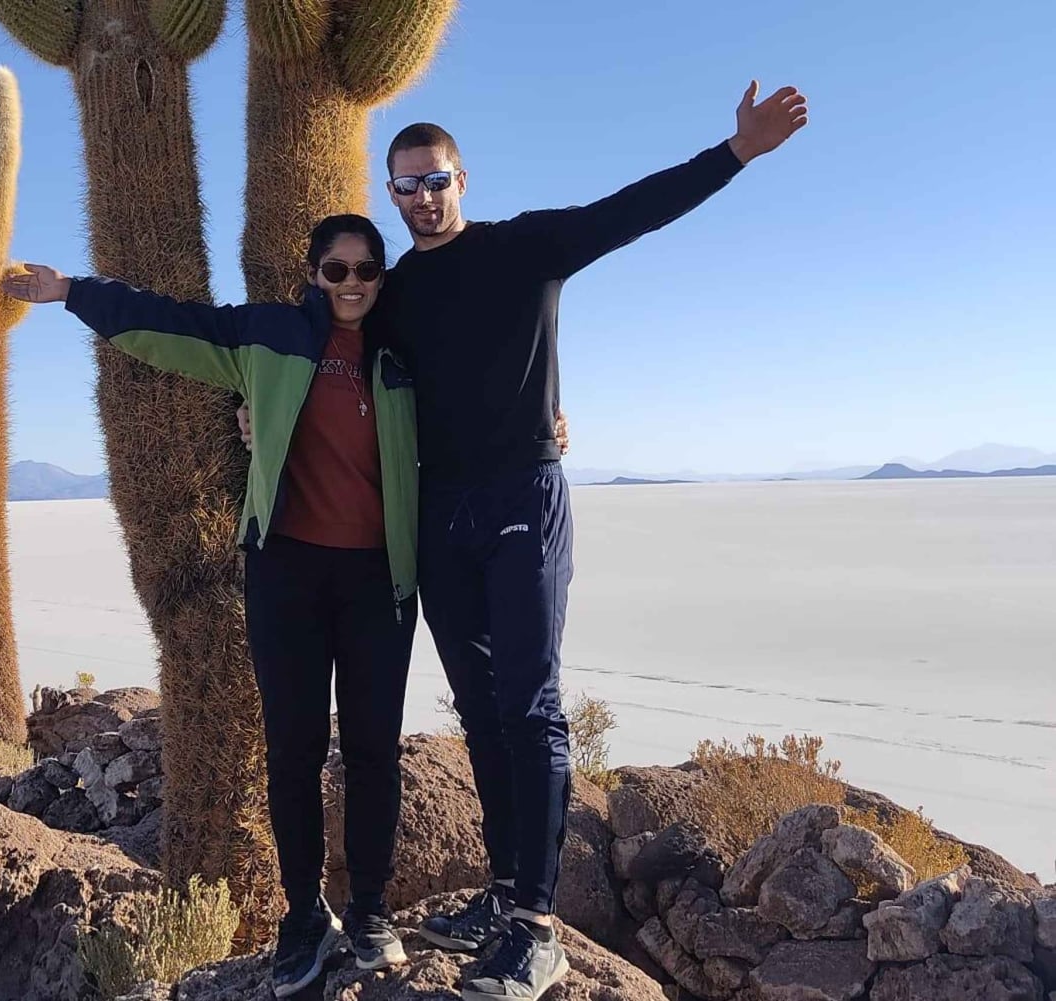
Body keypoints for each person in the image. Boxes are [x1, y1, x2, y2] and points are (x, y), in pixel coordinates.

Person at [241, 79, 808, 1001]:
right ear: (391, 194)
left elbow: (634, 211)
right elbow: (324, 348)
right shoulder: (388, 293)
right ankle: (505, 893)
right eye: (405, 186)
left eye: (435, 180)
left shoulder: (525, 247)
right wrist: (255, 412)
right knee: (478, 708)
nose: (422, 197)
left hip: (519, 499)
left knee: (532, 704)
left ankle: (536, 926)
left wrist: (735, 152)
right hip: (435, 511)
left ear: (463, 179)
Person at [2, 215, 420, 998]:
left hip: (378, 579)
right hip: (287, 571)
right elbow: (172, 326)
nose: (353, 284)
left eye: (366, 270)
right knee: (292, 751)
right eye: (336, 270)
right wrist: (71, 294)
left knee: (372, 750)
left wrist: (546, 427)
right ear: (313, 272)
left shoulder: (403, 351)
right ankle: (304, 914)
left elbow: (472, 404)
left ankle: (369, 910)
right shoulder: (267, 334)